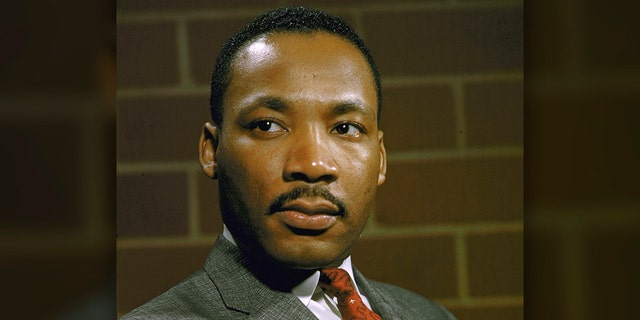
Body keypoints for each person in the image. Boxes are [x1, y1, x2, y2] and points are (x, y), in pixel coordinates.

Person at [122, 6, 456, 320]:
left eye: (345, 128)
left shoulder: (429, 315)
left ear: (380, 159)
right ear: (211, 150)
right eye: (267, 125)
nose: (313, 164)